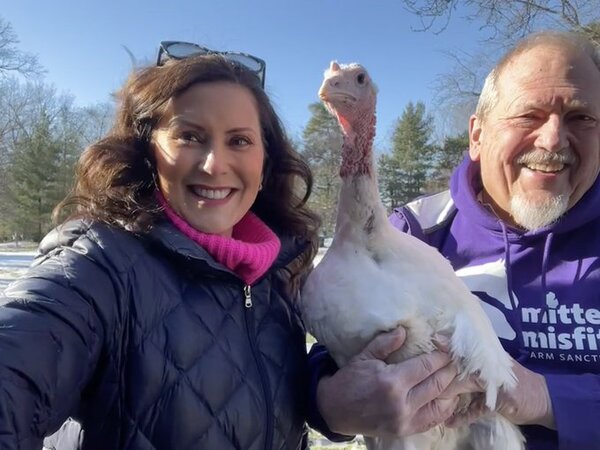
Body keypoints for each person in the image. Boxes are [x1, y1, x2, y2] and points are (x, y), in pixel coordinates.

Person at [0, 41, 321, 449]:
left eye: (239, 141)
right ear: (147, 150)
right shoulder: (100, 264)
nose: (214, 164)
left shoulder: (280, 274)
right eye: (190, 136)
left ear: (266, 160)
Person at [310, 31, 600, 450]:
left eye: (582, 118)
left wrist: (546, 398)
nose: (553, 139)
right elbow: (333, 347)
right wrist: (329, 402)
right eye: (528, 116)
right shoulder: (414, 231)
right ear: (477, 136)